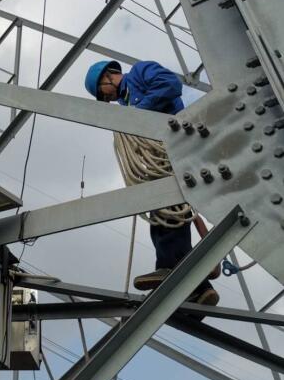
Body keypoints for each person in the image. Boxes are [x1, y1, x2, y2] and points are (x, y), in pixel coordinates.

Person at [84, 60, 219, 306]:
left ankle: (169, 269)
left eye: (102, 94)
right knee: (162, 213)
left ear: (107, 76)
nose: (106, 100)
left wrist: (138, 113)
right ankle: (199, 289)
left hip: (176, 149)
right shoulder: (125, 104)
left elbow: (170, 85)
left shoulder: (140, 72)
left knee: (168, 210)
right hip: (165, 158)